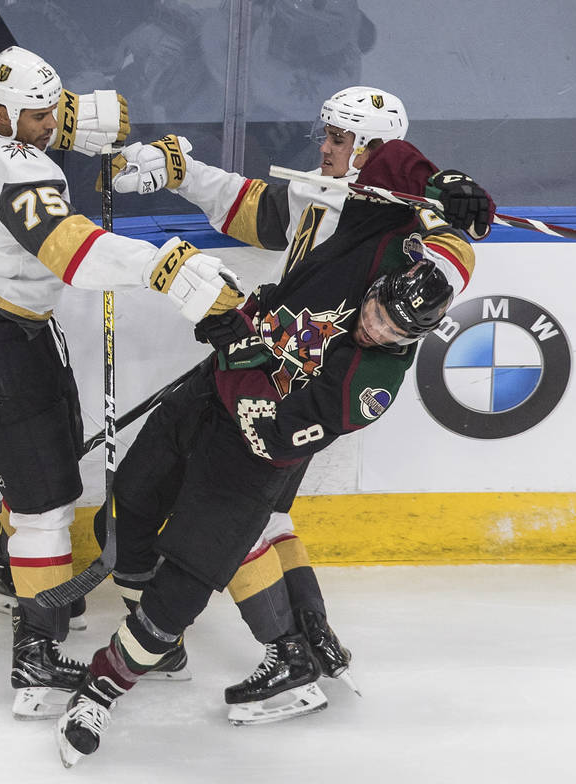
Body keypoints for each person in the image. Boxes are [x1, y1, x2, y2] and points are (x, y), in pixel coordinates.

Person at [55, 139, 481, 766]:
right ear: (386, 279)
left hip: (251, 453)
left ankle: (102, 686)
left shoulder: (369, 387)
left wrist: (237, 340)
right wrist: (450, 189)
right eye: (379, 312)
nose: (376, 328)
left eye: (395, 332)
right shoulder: (379, 238)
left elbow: (271, 430)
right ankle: (169, 640)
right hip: (210, 391)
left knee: (189, 581)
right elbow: (394, 161)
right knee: (127, 508)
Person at [0, 45, 243, 721]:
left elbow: (25, 123)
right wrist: (162, 267)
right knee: (45, 503)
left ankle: (5, 577)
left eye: (50, 112)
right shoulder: (15, 174)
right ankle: (35, 658)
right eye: (36, 116)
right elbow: (74, 248)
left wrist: (71, 117)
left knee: (40, 475)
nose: (48, 125)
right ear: (2, 114)